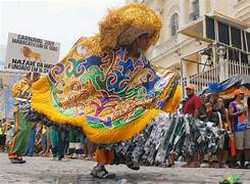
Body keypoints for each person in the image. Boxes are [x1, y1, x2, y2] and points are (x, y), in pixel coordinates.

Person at [24, 3, 223, 179]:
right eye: (144, 36)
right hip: (107, 102)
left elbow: (151, 77)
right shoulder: (115, 54)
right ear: (136, 38)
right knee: (106, 127)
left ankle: (125, 157)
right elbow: (97, 71)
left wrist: (168, 85)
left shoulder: (142, 60)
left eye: (148, 37)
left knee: (140, 120)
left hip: (130, 102)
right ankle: (101, 166)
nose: (147, 41)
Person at [182, 84, 205, 167]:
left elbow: (197, 109)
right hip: (186, 122)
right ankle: (189, 161)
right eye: (187, 89)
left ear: (193, 90)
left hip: (192, 122)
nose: (188, 91)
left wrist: (193, 121)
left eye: (190, 90)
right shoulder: (187, 100)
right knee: (188, 142)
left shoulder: (196, 98)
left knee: (194, 142)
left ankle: (194, 161)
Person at [229, 89, 249, 168]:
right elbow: (231, 114)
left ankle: (247, 163)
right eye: (241, 94)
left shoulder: (244, 103)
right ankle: (238, 162)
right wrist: (241, 111)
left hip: (246, 126)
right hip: (238, 127)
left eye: (243, 94)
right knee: (239, 147)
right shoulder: (232, 104)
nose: (243, 95)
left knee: (247, 146)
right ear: (237, 95)